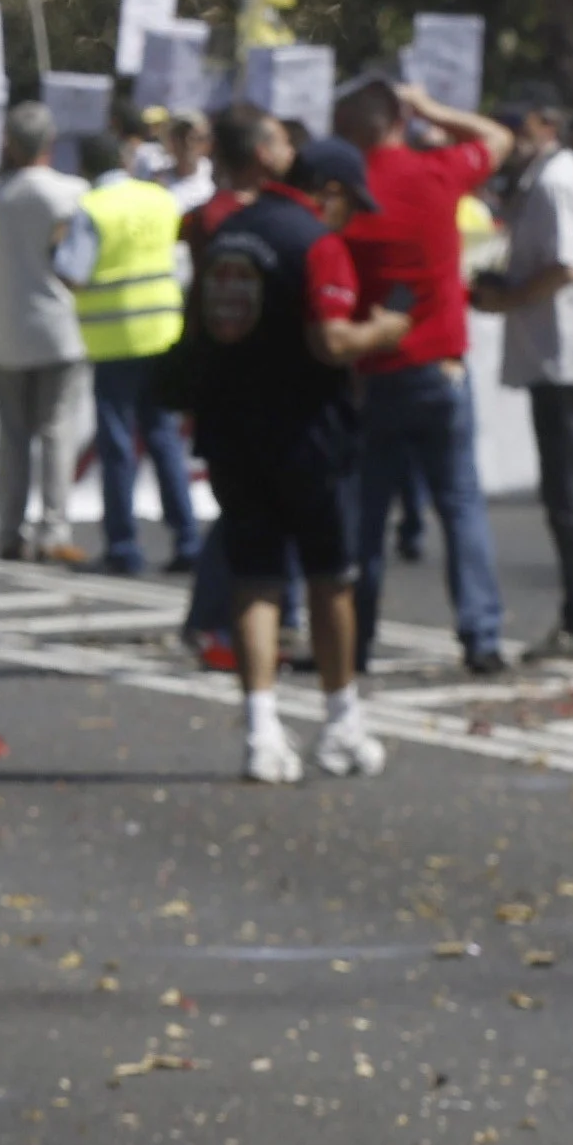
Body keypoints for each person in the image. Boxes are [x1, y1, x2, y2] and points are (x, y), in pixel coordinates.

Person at [188, 137, 403, 779]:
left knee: (255, 578)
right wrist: (387, 328)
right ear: (328, 191)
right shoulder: (315, 241)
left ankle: (261, 730)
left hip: (231, 427)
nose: (349, 218)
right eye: (348, 203)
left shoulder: (228, 231)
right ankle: (341, 721)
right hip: (306, 432)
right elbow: (333, 339)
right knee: (331, 576)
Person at [333, 69, 516, 673]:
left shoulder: (347, 198)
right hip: (441, 371)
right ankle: (481, 635)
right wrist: (429, 106)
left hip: (374, 373)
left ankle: (353, 640)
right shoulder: (437, 172)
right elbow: (497, 137)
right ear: (399, 121)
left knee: (365, 519)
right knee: (461, 508)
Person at [477, 91, 573, 656]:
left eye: (513, 129)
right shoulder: (549, 180)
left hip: (567, 359)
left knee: (567, 497)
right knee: (564, 495)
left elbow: (565, 266)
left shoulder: (557, 182)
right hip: (557, 355)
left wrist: (509, 296)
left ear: (542, 124)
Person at [76, 132, 196, 576]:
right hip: (162, 332)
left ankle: (124, 547)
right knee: (165, 441)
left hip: (114, 341)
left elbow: (72, 269)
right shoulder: (160, 199)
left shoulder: (92, 208)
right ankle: (187, 539)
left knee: (119, 447)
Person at [0, 99, 92, 563]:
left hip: (9, 328)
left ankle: (10, 531)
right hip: (58, 326)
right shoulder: (69, 192)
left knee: (12, 438)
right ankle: (52, 529)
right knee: (55, 433)